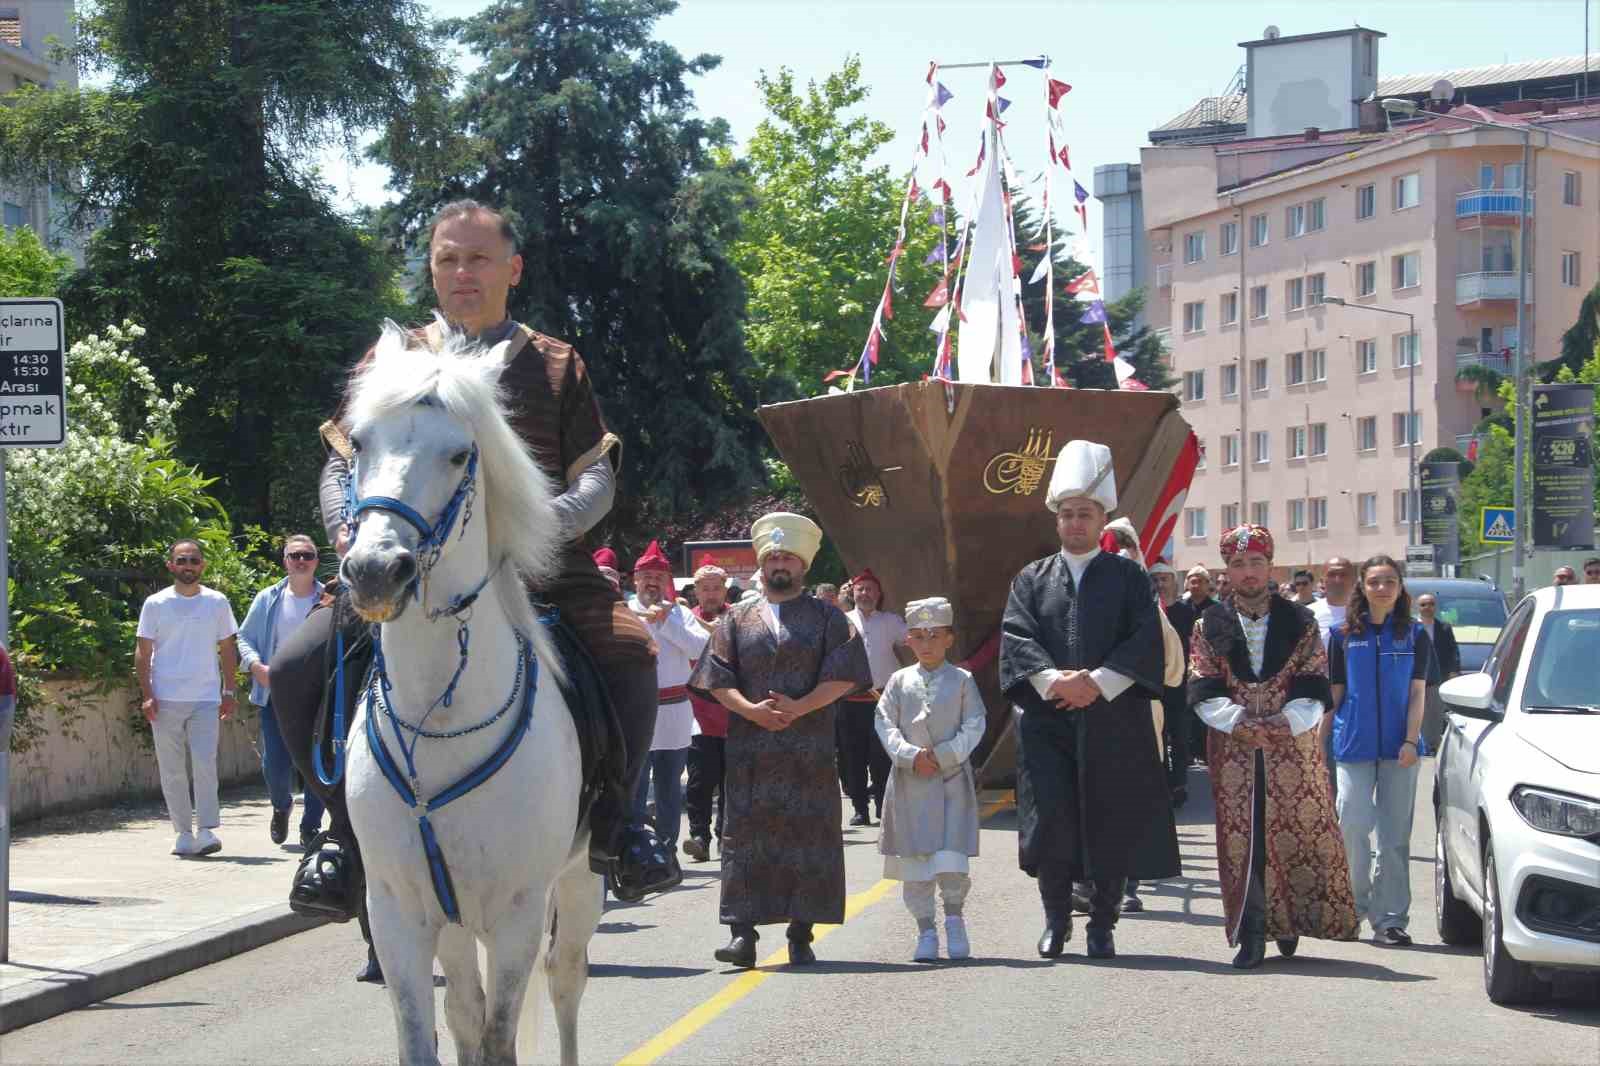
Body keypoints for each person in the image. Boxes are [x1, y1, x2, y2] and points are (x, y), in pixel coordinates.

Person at [270, 199, 677, 922]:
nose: (462, 272)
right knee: (300, 665)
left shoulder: (554, 362)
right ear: (431, 268)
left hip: (541, 563)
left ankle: (621, 824)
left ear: (511, 269)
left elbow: (596, 474)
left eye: (478, 258)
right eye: (448, 258)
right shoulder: (393, 360)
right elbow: (341, 463)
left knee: (630, 652)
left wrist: (540, 529)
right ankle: (339, 836)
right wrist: (346, 532)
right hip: (401, 562)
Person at [1000, 439, 1180, 961]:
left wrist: (1097, 683)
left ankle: (1103, 925)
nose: (1076, 523)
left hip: (1113, 719)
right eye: (1069, 514)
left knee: (1110, 820)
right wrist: (1056, 681)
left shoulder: (1128, 577)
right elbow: (1016, 636)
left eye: (1087, 514)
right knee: (1051, 822)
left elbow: (1144, 638)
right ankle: (1057, 921)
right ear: (1057, 519)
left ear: (1102, 518)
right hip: (1047, 720)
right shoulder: (1031, 578)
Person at [687, 513, 872, 969]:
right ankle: (741, 935)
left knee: (809, 836)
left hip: (807, 749)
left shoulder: (829, 617)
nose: (779, 564)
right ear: (762, 565)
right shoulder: (735, 619)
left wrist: (800, 706)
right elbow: (715, 677)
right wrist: (750, 710)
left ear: (803, 565)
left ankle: (801, 931)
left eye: (787, 556)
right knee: (743, 838)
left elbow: (847, 675)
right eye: (772, 557)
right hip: (750, 749)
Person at [1189, 525, 1359, 969]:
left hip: (1292, 747)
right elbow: (1203, 684)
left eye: (1257, 563)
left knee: (1293, 835)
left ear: (1270, 565)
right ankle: (1251, 931)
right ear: (1227, 569)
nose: (1248, 572)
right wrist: (1238, 721)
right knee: (1243, 839)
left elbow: (1313, 680)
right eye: (1239, 564)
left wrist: (1287, 721)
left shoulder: (1300, 621)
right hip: (1234, 749)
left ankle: (1288, 921)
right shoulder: (1209, 624)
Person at [1326, 554, 1433, 947]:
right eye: (1374, 582)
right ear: (1363, 587)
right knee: (1352, 825)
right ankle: (1352, 908)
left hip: (1399, 749)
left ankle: (1389, 920)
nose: (1382, 588)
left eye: (1389, 581)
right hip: (1352, 744)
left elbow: (1418, 692)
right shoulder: (1341, 635)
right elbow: (1334, 695)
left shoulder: (1415, 635)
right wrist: (1315, 744)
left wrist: (1410, 740)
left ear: (1400, 587)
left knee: (1393, 836)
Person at [874, 596, 985, 963]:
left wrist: (944, 755)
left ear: (949, 638)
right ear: (908, 640)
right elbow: (885, 723)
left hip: (950, 780)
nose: (927, 644)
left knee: (951, 859)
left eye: (934, 635)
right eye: (919, 636)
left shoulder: (964, 679)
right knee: (917, 863)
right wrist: (910, 756)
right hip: (910, 784)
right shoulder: (898, 680)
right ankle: (925, 929)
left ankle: (954, 920)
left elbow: (974, 724)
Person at [135, 539, 240, 858]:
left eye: (194, 560)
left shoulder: (217, 602)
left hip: (206, 697)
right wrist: (148, 695)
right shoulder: (155, 604)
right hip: (165, 698)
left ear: (203, 565)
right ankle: (182, 833)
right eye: (182, 560)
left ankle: (207, 830)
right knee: (172, 769)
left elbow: (227, 648)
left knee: (205, 763)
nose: (188, 566)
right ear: (171, 566)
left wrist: (229, 690)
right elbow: (142, 652)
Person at [1102, 517, 1186, 914]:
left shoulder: (1149, 608)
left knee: (1130, 800)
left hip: (1137, 715)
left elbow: (1173, 669)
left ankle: (1127, 881)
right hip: (1090, 712)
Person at [236, 534, 327, 849]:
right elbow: (243, 638)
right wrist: (255, 666)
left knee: (317, 763)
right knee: (275, 763)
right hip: (276, 693)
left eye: (307, 555)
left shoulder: (329, 598)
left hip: (319, 693)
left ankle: (312, 826)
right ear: (285, 560)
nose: (301, 561)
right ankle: (281, 804)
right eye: (294, 555)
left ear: (316, 560)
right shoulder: (268, 598)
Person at [629, 540, 709, 855]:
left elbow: (701, 649)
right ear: (634, 580)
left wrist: (666, 623)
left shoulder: (680, 613)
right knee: (635, 786)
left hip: (675, 713)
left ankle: (666, 849)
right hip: (636, 712)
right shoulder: (623, 611)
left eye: (658, 577)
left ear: (668, 582)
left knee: (669, 787)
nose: (652, 582)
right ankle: (635, 848)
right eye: (646, 576)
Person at [840, 569, 909, 825]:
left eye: (870, 589)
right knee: (852, 757)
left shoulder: (890, 621)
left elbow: (911, 641)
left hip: (882, 700)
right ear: (853, 593)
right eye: (861, 589)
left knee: (881, 757)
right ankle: (860, 808)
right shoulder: (841, 620)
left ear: (879, 594)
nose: (865, 593)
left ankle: (883, 806)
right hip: (848, 701)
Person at [684, 564, 732, 862]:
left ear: (724, 590)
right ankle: (699, 835)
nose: (711, 594)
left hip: (734, 712)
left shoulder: (740, 616)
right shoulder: (685, 619)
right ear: (696, 592)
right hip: (696, 714)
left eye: (716, 588)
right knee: (700, 780)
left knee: (732, 781)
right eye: (705, 588)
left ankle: (726, 836)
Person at [1310, 555, 1355, 799]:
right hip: (1317, 702)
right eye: (1332, 574)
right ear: (1323, 579)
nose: (1338, 579)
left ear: (1354, 579)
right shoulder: (1308, 615)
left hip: (1353, 704)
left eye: (1344, 574)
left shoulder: (1364, 615)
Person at [1149, 562, 1192, 806]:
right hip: (1154, 686)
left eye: (1165, 579)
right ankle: (1161, 784)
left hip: (1180, 685)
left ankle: (1179, 784)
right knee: (1157, 737)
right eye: (1156, 579)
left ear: (1174, 582)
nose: (1160, 584)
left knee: (1178, 736)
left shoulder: (1186, 612)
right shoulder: (1146, 612)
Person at [1167, 564, 1218, 765]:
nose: (1195, 585)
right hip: (1181, 666)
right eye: (1192, 581)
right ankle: (1186, 750)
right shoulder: (1180, 607)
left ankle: (1204, 750)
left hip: (1207, 666)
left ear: (1207, 585)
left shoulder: (1216, 609)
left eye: (1200, 581)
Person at [1415, 592, 1461, 752]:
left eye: (1431, 604)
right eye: (1423, 604)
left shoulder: (1444, 628)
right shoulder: (1411, 627)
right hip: (1415, 678)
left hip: (1437, 678)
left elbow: (1453, 651)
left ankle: (1433, 744)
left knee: (1435, 712)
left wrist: (1453, 672)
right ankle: (1419, 743)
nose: (1427, 607)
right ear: (1417, 607)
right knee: (1418, 712)